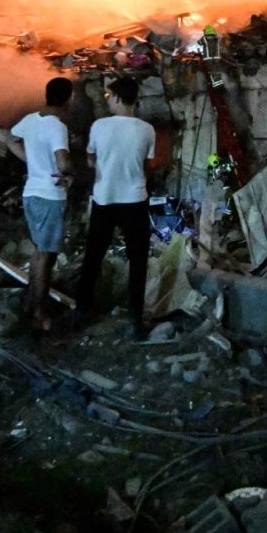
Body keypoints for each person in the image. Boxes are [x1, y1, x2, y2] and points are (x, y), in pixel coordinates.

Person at [78, 75, 156, 339]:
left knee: (93, 256)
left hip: (105, 199)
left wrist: (101, 164)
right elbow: (147, 166)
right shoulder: (147, 129)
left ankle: (81, 310)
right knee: (138, 261)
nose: (108, 101)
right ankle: (135, 318)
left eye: (110, 97)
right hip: (135, 200)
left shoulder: (99, 126)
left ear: (119, 98)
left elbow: (90, 159)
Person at [6, 77, 73, 333]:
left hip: (31, 193)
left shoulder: (30, 120)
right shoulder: (57, 127)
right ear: (68, 99)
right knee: (47, 256)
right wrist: (71, 173)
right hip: (49, 196)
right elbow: (63, 161)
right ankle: (40, 313)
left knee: (39, 251)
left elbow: (10, 139)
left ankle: (30, 302)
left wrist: (31, 161)